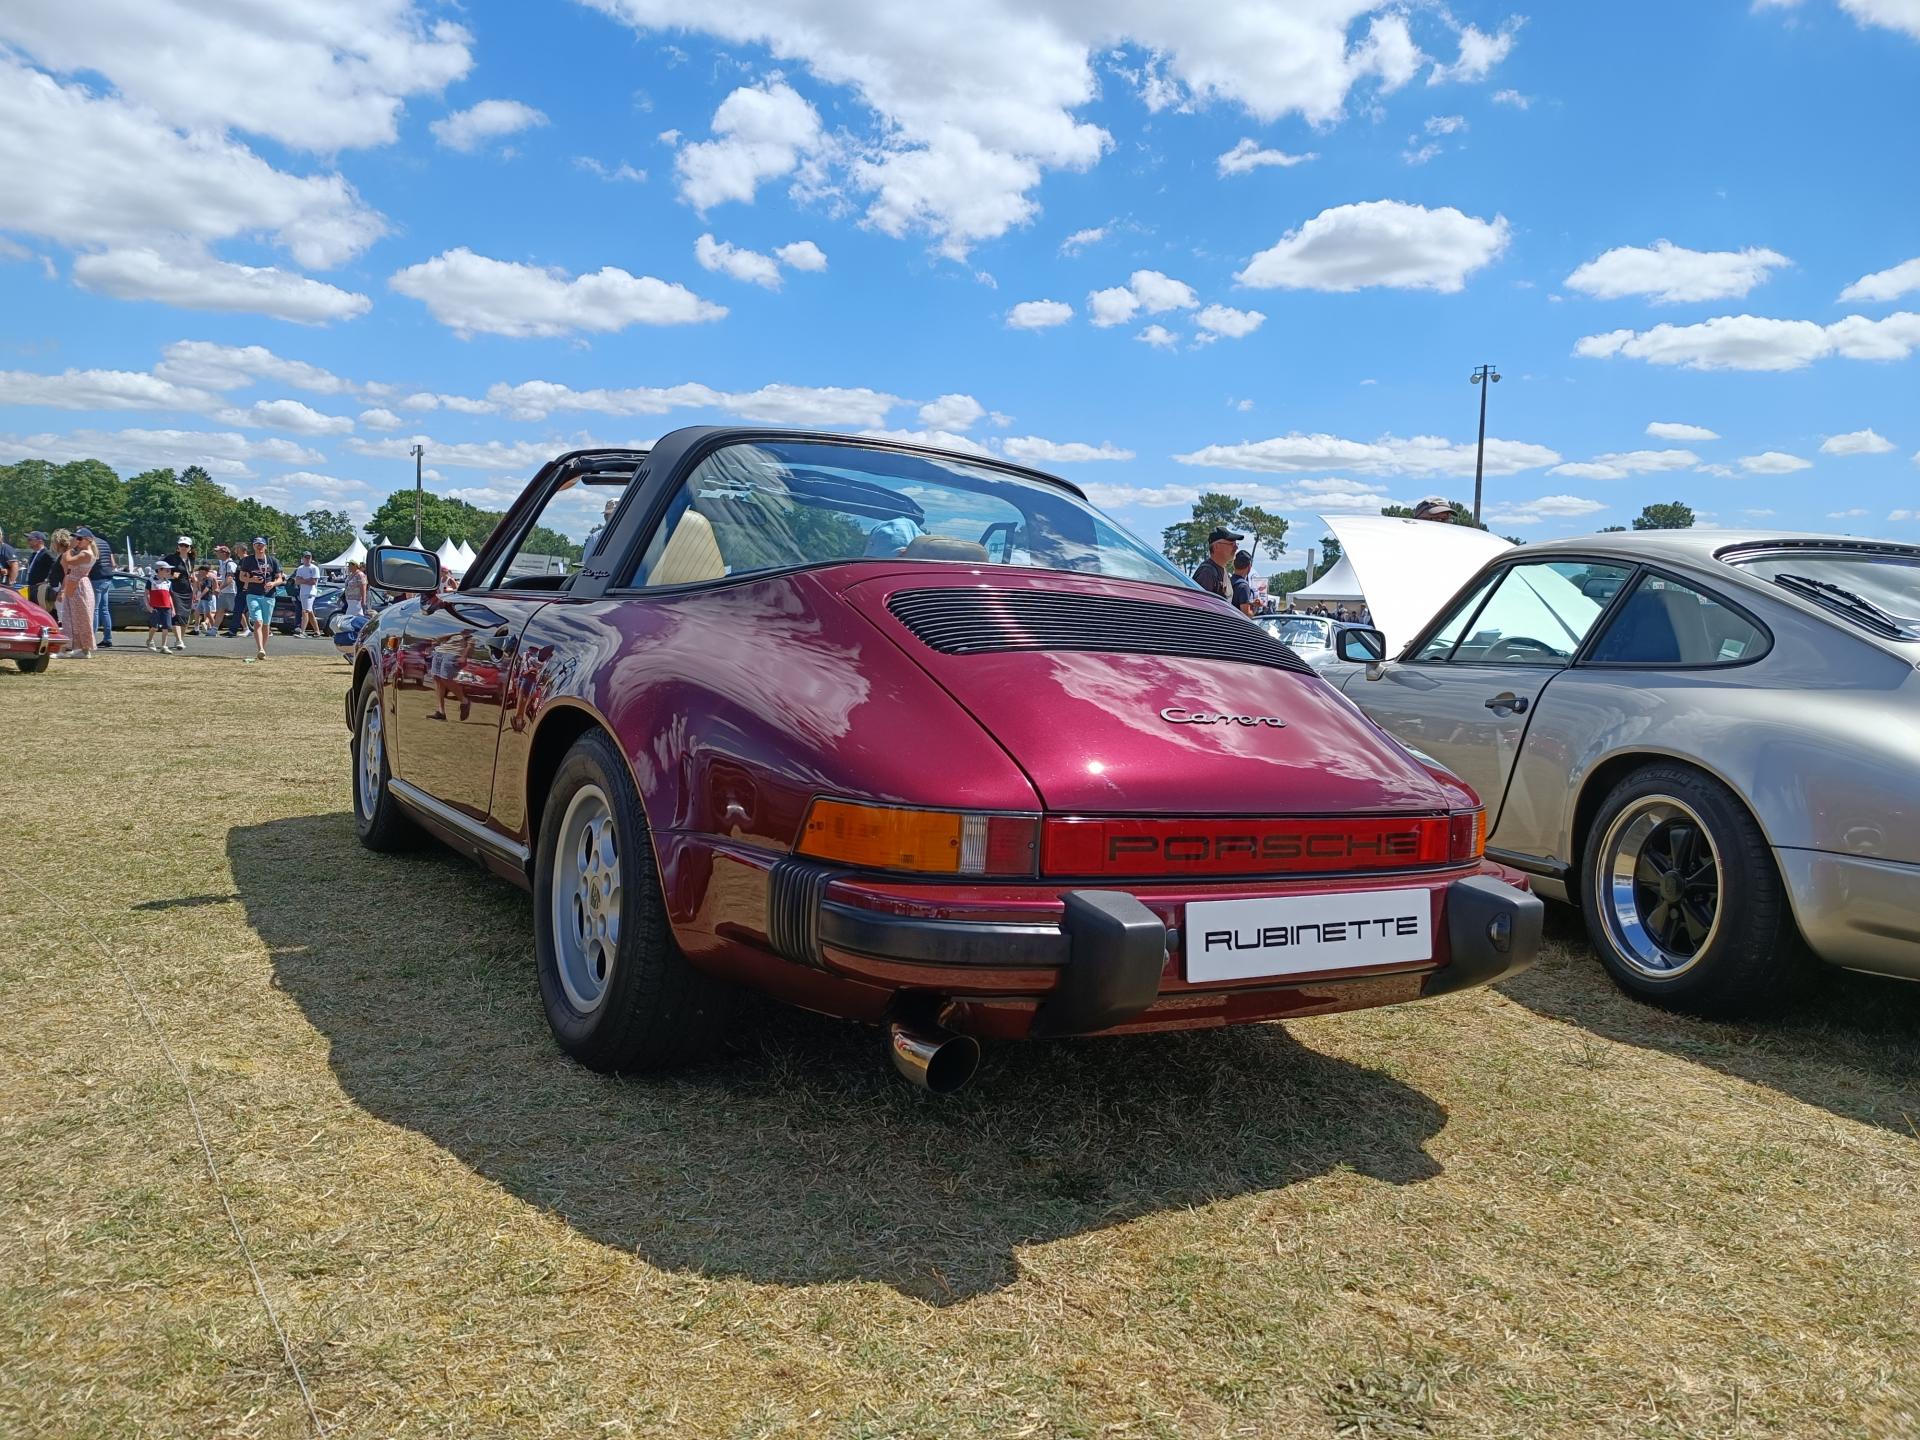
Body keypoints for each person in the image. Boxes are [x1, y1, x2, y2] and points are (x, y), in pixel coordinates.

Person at [236, 536, 282, 663]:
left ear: (265, 546)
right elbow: (241, 577)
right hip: (253, 594)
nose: (259, 546)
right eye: (257, 544)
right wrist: (252, 580)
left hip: (269, 595)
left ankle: (263, 648)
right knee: (258, 621)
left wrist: (272, 583)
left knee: (266, 624)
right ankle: (260, 648)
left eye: (261, 544)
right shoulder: (248, 560)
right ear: (253, 546)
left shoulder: (273, 561)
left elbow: (280, 579)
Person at [60, 527, 99, 658]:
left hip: (80, 585)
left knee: (82, 617)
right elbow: (64, 563)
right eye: (76, 538)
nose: (77, 540)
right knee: (70, 617)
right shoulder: (79, 552)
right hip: (73, 584)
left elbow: (69, 561)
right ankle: (72, 646)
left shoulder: (86, 554)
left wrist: (69, 548)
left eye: (80, 538)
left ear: (88, 540)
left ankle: (84, 648)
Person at [1190, 525, 1240, 600]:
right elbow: (1201, 605)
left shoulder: (1223, 571)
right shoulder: (1207, 573)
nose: (1236, 547)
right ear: (1216, 547)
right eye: (1231, 544)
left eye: (1236, 544)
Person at [145, 560, 185, 652]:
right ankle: (150, 640)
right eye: (166, 570)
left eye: (169, 570)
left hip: (166, 607)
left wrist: (173, 608)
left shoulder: (168, 582)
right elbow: (146, 594)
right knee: (154, 627)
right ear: (159, 570)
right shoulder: (151, 581)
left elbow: (169, 596)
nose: (169, 572)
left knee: (166, 627)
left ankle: (164, 646)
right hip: (155, 607)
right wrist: (148, 606)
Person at [88, 526, 116, 647]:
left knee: (94, 609)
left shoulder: (91, 544)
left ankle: (92, 637)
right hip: (108, 577)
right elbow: (113, 562)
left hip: (97, 577)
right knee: (104, 609)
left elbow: (92, 561)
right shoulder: (104, 543)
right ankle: (108, 638)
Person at [224, 538, 252, 636]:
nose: (235, 550)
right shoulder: (241, 561)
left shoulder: (247, 560)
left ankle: (237, 630)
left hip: (245, 589)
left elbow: (248, 574)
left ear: (241, 549)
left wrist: (246, 586)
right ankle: (233, 630)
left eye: (237, 549)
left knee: (240, 610)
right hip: (240, 589)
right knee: (238, 610)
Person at [292, 551, 323, 635]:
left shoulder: (314, 568)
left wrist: (303, 580)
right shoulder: (300, 568)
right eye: (306, 557)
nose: (307, 559)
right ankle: (317, 631)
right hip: (303, 592)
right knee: (310, 611)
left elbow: (313, 581)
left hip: (311, 592)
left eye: (309, 557)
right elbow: (297, 581)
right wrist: (306, 580)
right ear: (303, 558)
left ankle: (302, 631)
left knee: (305, 611)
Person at [21, 532, 56, 608]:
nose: (28, 541)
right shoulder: (34, 554)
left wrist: (48, 580)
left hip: (40, 589)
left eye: (30, 539)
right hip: (32, 586)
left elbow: (55, 566)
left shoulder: (46, 553)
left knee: (40, 610)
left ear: (40, 541)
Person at [1229, 550, 1258, 616]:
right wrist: (1256, 607)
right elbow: (1246, 614)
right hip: (1237, 624)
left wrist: (1250, 603)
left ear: (1234, 565)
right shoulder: (1243, 586)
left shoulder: (1228, 581)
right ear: (1249, 567)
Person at [194, 564, 219, 634]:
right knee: (197, 611)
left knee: (208, 614)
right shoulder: (203, 579)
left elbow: (207, 588)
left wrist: (200, 595)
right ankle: (197, 628)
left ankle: (214, 629)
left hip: (207, 598)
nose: (200, 572)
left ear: (205, 571)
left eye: (201, 571)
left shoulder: (209, 579)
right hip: (202, 599)